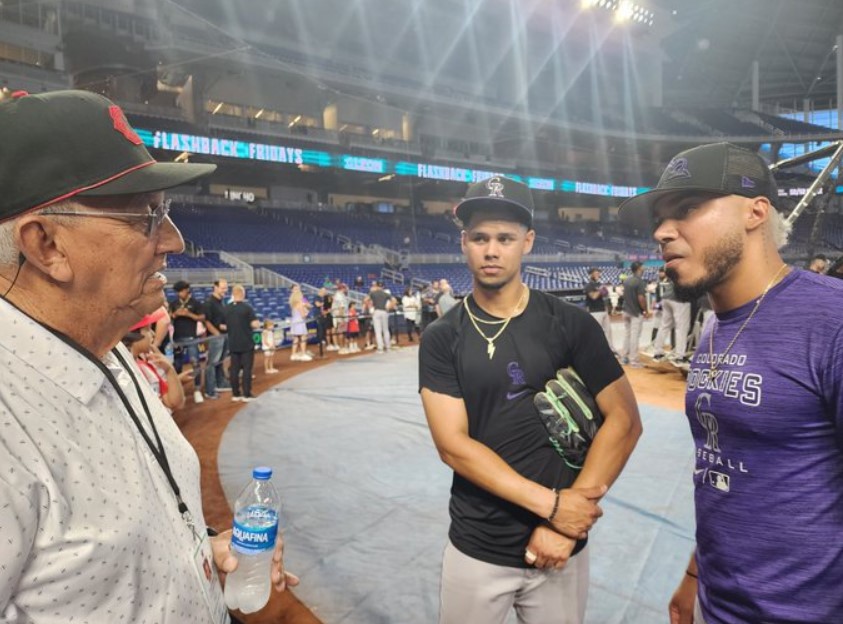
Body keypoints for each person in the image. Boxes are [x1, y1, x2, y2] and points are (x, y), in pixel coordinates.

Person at [0, 89, 296, 623]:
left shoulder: (106, 349)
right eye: (147, 217)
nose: (175, 241)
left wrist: (201, 554)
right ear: (45, 244)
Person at [619, 141, 843, 624]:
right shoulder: (719, 324)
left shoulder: (832, 319)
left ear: (755, 212)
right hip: (717, 603)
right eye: (659, 218)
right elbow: (723, 477)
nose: (662, 231)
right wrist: (695, 577)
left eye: (688, 209)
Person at [419, 175, 642, 624]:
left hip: (560, 550)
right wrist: (554, 508)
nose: (491, 249)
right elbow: (453, 445)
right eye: (480, 237)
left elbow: (624, 420)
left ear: (528, 242)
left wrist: (562, 526)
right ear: (464, 243)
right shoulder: (443, 338)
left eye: (505, 237)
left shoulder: (571, 323)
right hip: (478, 545)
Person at [124, 307, 189, 412]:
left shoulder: (147, 362)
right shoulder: (125, 370)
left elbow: (174, 402)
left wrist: (169, 370)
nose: (153, 334)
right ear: (133, 335)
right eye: (148, 329)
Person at [170, 280, 206, 403]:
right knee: (178, 365)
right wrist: (175, 314)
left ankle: (197, 390)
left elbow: (202, 317)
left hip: (191, 337)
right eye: (178, 292)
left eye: (182, 291)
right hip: (177, 337)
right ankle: (179, 391)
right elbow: (169, 317)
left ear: (186, 290)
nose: (180, 294)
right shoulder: (174, 303)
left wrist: (189, 314)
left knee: (195, 363)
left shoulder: (195, 303)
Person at [224, 284, 260, 402]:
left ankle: (235, 394)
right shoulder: (247, 308)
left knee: (234, 369)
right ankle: (246, 394)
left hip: (233, 342)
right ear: (242, 294)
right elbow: (255, 324)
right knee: (247, 369)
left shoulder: (227, 308)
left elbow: (223, 326)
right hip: (246, 343)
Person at [202, 278, 232, 399]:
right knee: (212, 363)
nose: (225, 290)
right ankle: (210, 389)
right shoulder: (209, 302)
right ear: (215, 287)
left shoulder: (221, 302)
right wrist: (216, 333)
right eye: (222, 287)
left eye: (226, 288)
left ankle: (221, 383)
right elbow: (206, 320)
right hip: (216, 337)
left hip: (224, 335)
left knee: (220, 361)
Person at [619, 261, 649, 368]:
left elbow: (624, 295)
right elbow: (641, 298)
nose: (644, 267)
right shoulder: (640, 282)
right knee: (634, 336)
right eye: (642, 266)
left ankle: (624, 358)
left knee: (627, 335)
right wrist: (645, 310)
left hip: (626, 311)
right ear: (639, 268)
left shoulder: (627, 280)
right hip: (635, 312)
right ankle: (634, 361)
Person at [583, 267, 615, 352]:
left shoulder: (599, 284)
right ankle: (595, 350)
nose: (598, 274)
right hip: (595, 311)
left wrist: (605, 290)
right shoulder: (588, 285)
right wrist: (601, 289)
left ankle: (610, 349)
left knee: (608, 331)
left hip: (603, 310)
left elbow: (605, 295)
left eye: (598, 273)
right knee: (596, 332)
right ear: (591, 275)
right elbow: (593, 297)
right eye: (596, 273)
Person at [288, 284, 312, 362]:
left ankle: (293, 354)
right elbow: (303, 315)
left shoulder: (293, 302)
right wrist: (307, 312)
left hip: (294, 321)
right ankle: (303, 354)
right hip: (300, 322)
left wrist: (306, 306)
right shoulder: (300, 303)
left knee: (295, 339)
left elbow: (309, 305)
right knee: (303, 337)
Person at [369, 281, 392, 353]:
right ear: (383, 286)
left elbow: (365, 300)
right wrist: (388, 307)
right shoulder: (386, 293)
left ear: (377, 286)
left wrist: (370, 306)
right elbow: (394, 300)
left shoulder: (373, 293)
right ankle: (388, 348)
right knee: (386, 330)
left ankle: (380, 348)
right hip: (384, 311)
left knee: (378, 331)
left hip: (377, 311)